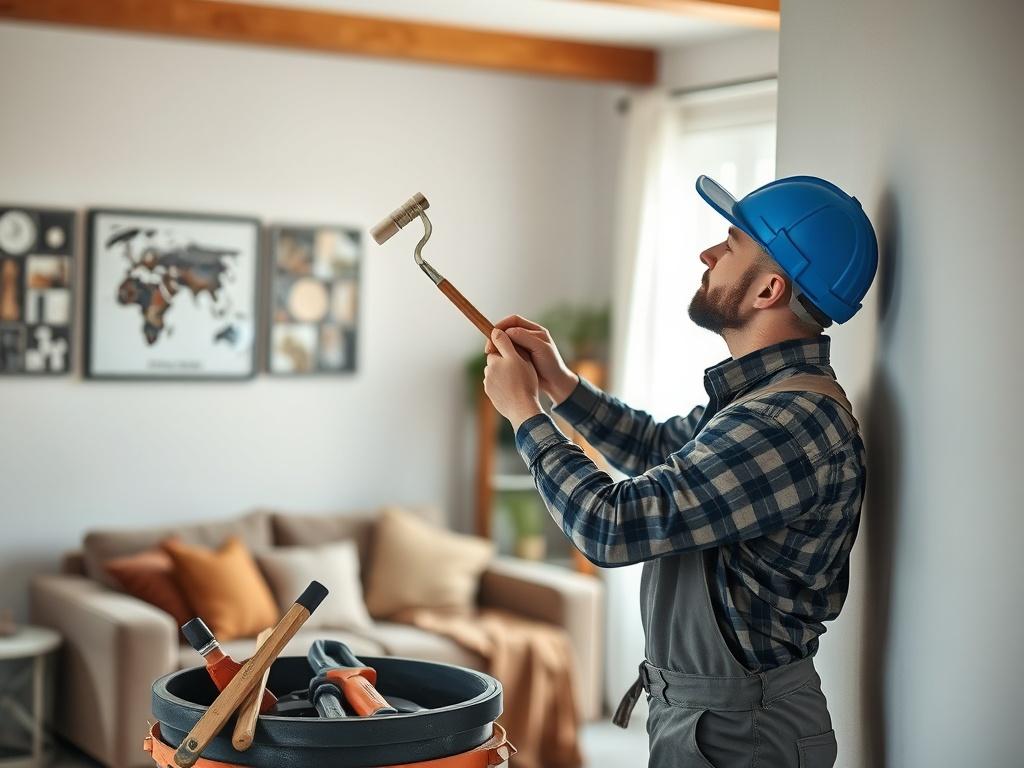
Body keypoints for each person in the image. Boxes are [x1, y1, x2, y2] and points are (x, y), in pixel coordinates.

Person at [482, 174, 878, 768]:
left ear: (769, 288)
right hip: (708, 718)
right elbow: (657, 447)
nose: (708, 255)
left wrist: (524, 416)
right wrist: (560, 386)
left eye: (731, 244)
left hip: (744, 731)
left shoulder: (789, 421)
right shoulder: (758, 400)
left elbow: (611, 528)